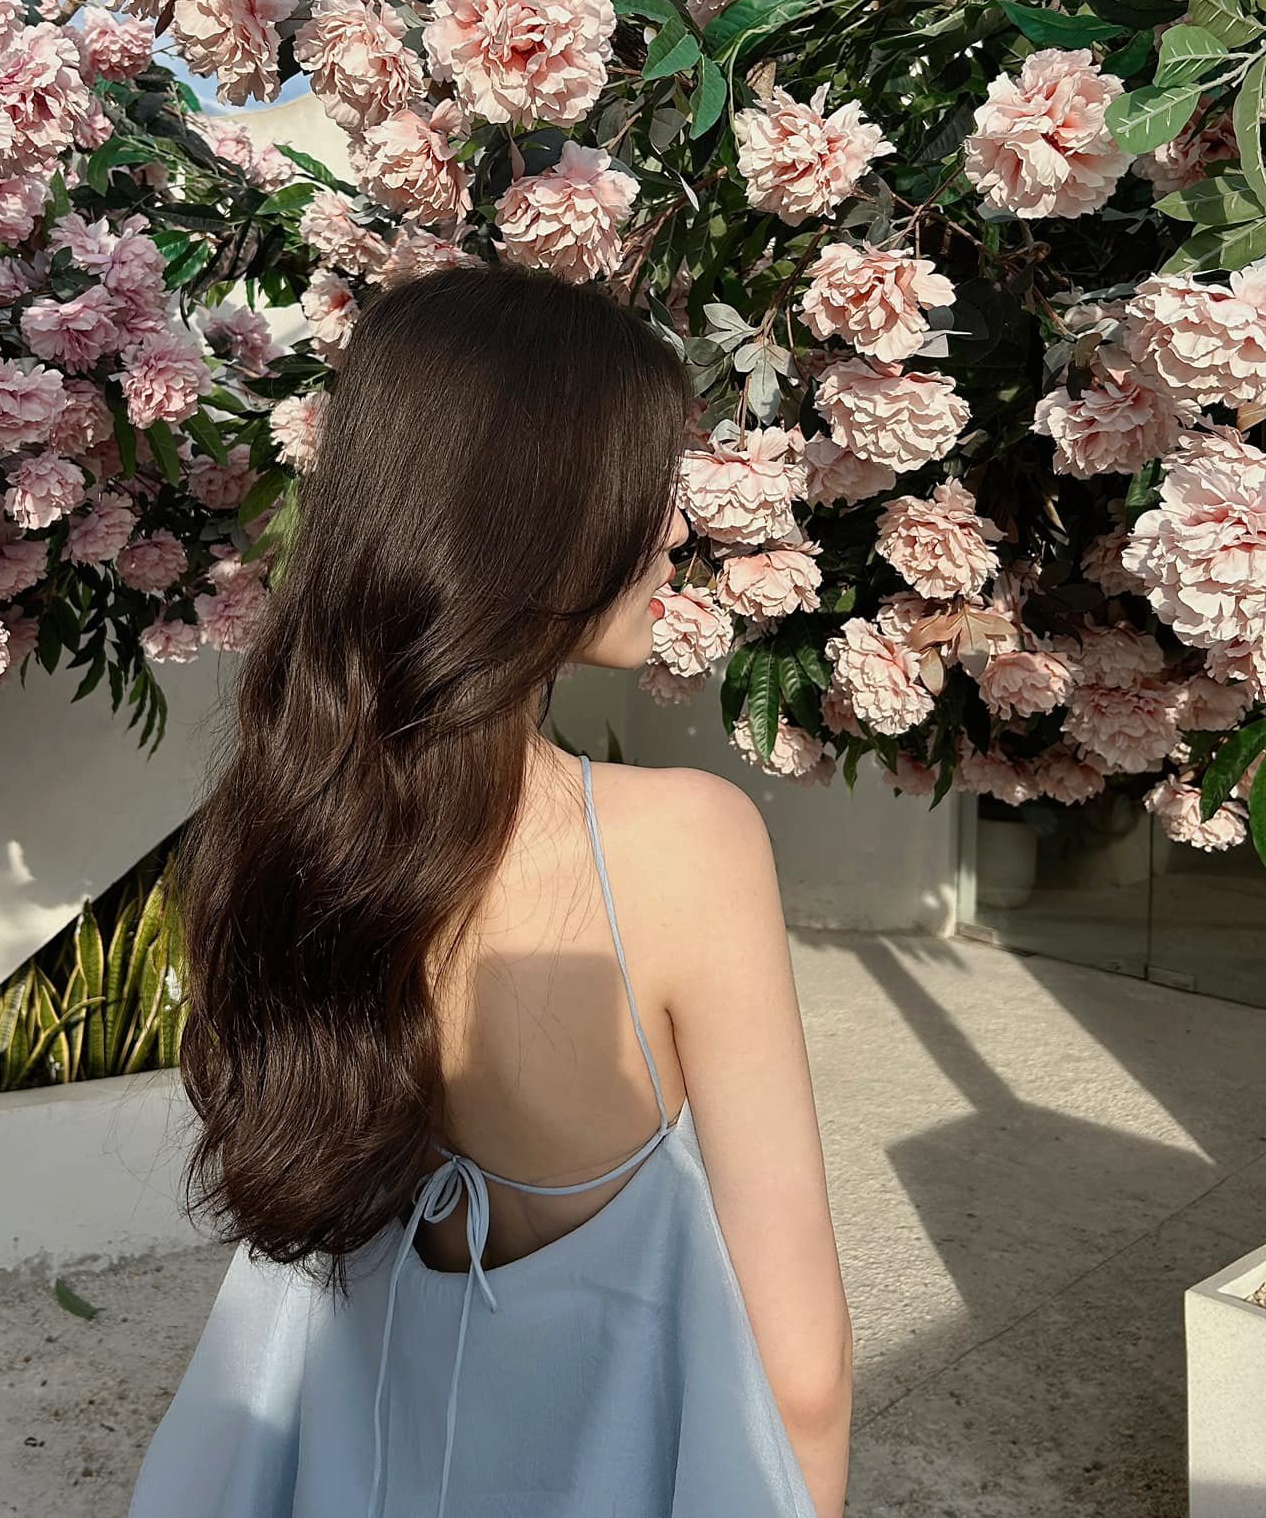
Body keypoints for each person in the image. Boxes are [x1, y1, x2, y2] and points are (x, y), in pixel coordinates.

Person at [128, 260, 852, 1518]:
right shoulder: (688, 841)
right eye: (643, 488)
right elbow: (800, 1374)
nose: (673, 533)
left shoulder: (295, 824)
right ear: (534, 514)